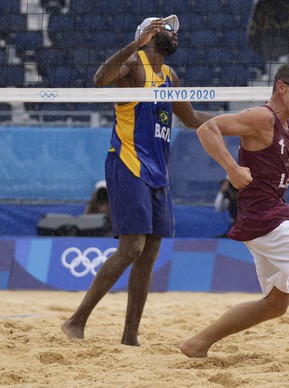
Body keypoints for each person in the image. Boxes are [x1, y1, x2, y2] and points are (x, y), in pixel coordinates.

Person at [179, 62, 289, 374]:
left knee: (275, 305)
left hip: (262, 220)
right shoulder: (262, 117)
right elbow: (206, 128)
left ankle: (198, 343)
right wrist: (231, 168)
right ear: (281, 87)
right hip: (267, 220)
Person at [61, 15, 213, 346]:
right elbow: (100, 79)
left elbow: (191, 119)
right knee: (132, 247)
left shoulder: (170, 76)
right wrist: (135, 43)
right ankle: (76, 321)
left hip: (158, 170)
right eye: (170, 29)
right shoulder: (134, 62)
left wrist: (246, 120)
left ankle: (130, 336)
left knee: (150, 253)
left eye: (176, 30)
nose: (176, 36)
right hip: (128, 162)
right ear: (151, 33)